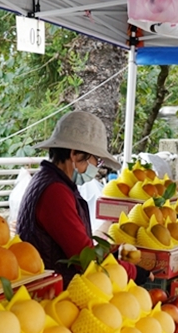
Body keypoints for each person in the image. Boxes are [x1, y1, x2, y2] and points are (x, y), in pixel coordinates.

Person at [15, 111, 138, 284]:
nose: (97, 167)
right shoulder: (55, 192)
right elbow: (84, 258)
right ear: (74, 155)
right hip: (55, 293)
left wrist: (111, 255)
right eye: (97, 160)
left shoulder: (52, 182)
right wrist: (132, 271)